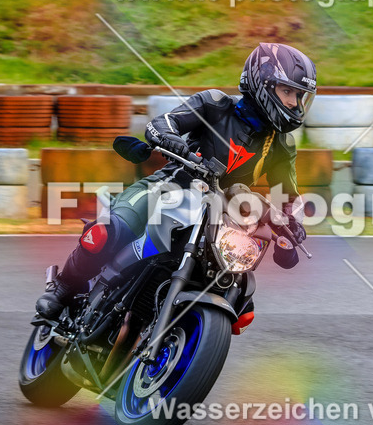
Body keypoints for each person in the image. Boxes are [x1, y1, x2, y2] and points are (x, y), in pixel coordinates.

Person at [36, 43, 317, 320]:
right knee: (106, 233)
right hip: (170, 187)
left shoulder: (282, 144)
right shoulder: (215, 104)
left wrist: (293, 223)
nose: (294, 102)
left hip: (222, 216)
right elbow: (164, 123)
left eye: (299, 95)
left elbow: (287, 195)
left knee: (242, 300)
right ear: (263, 83)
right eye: (287, 91)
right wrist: (170, 139)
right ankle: (64, 287)